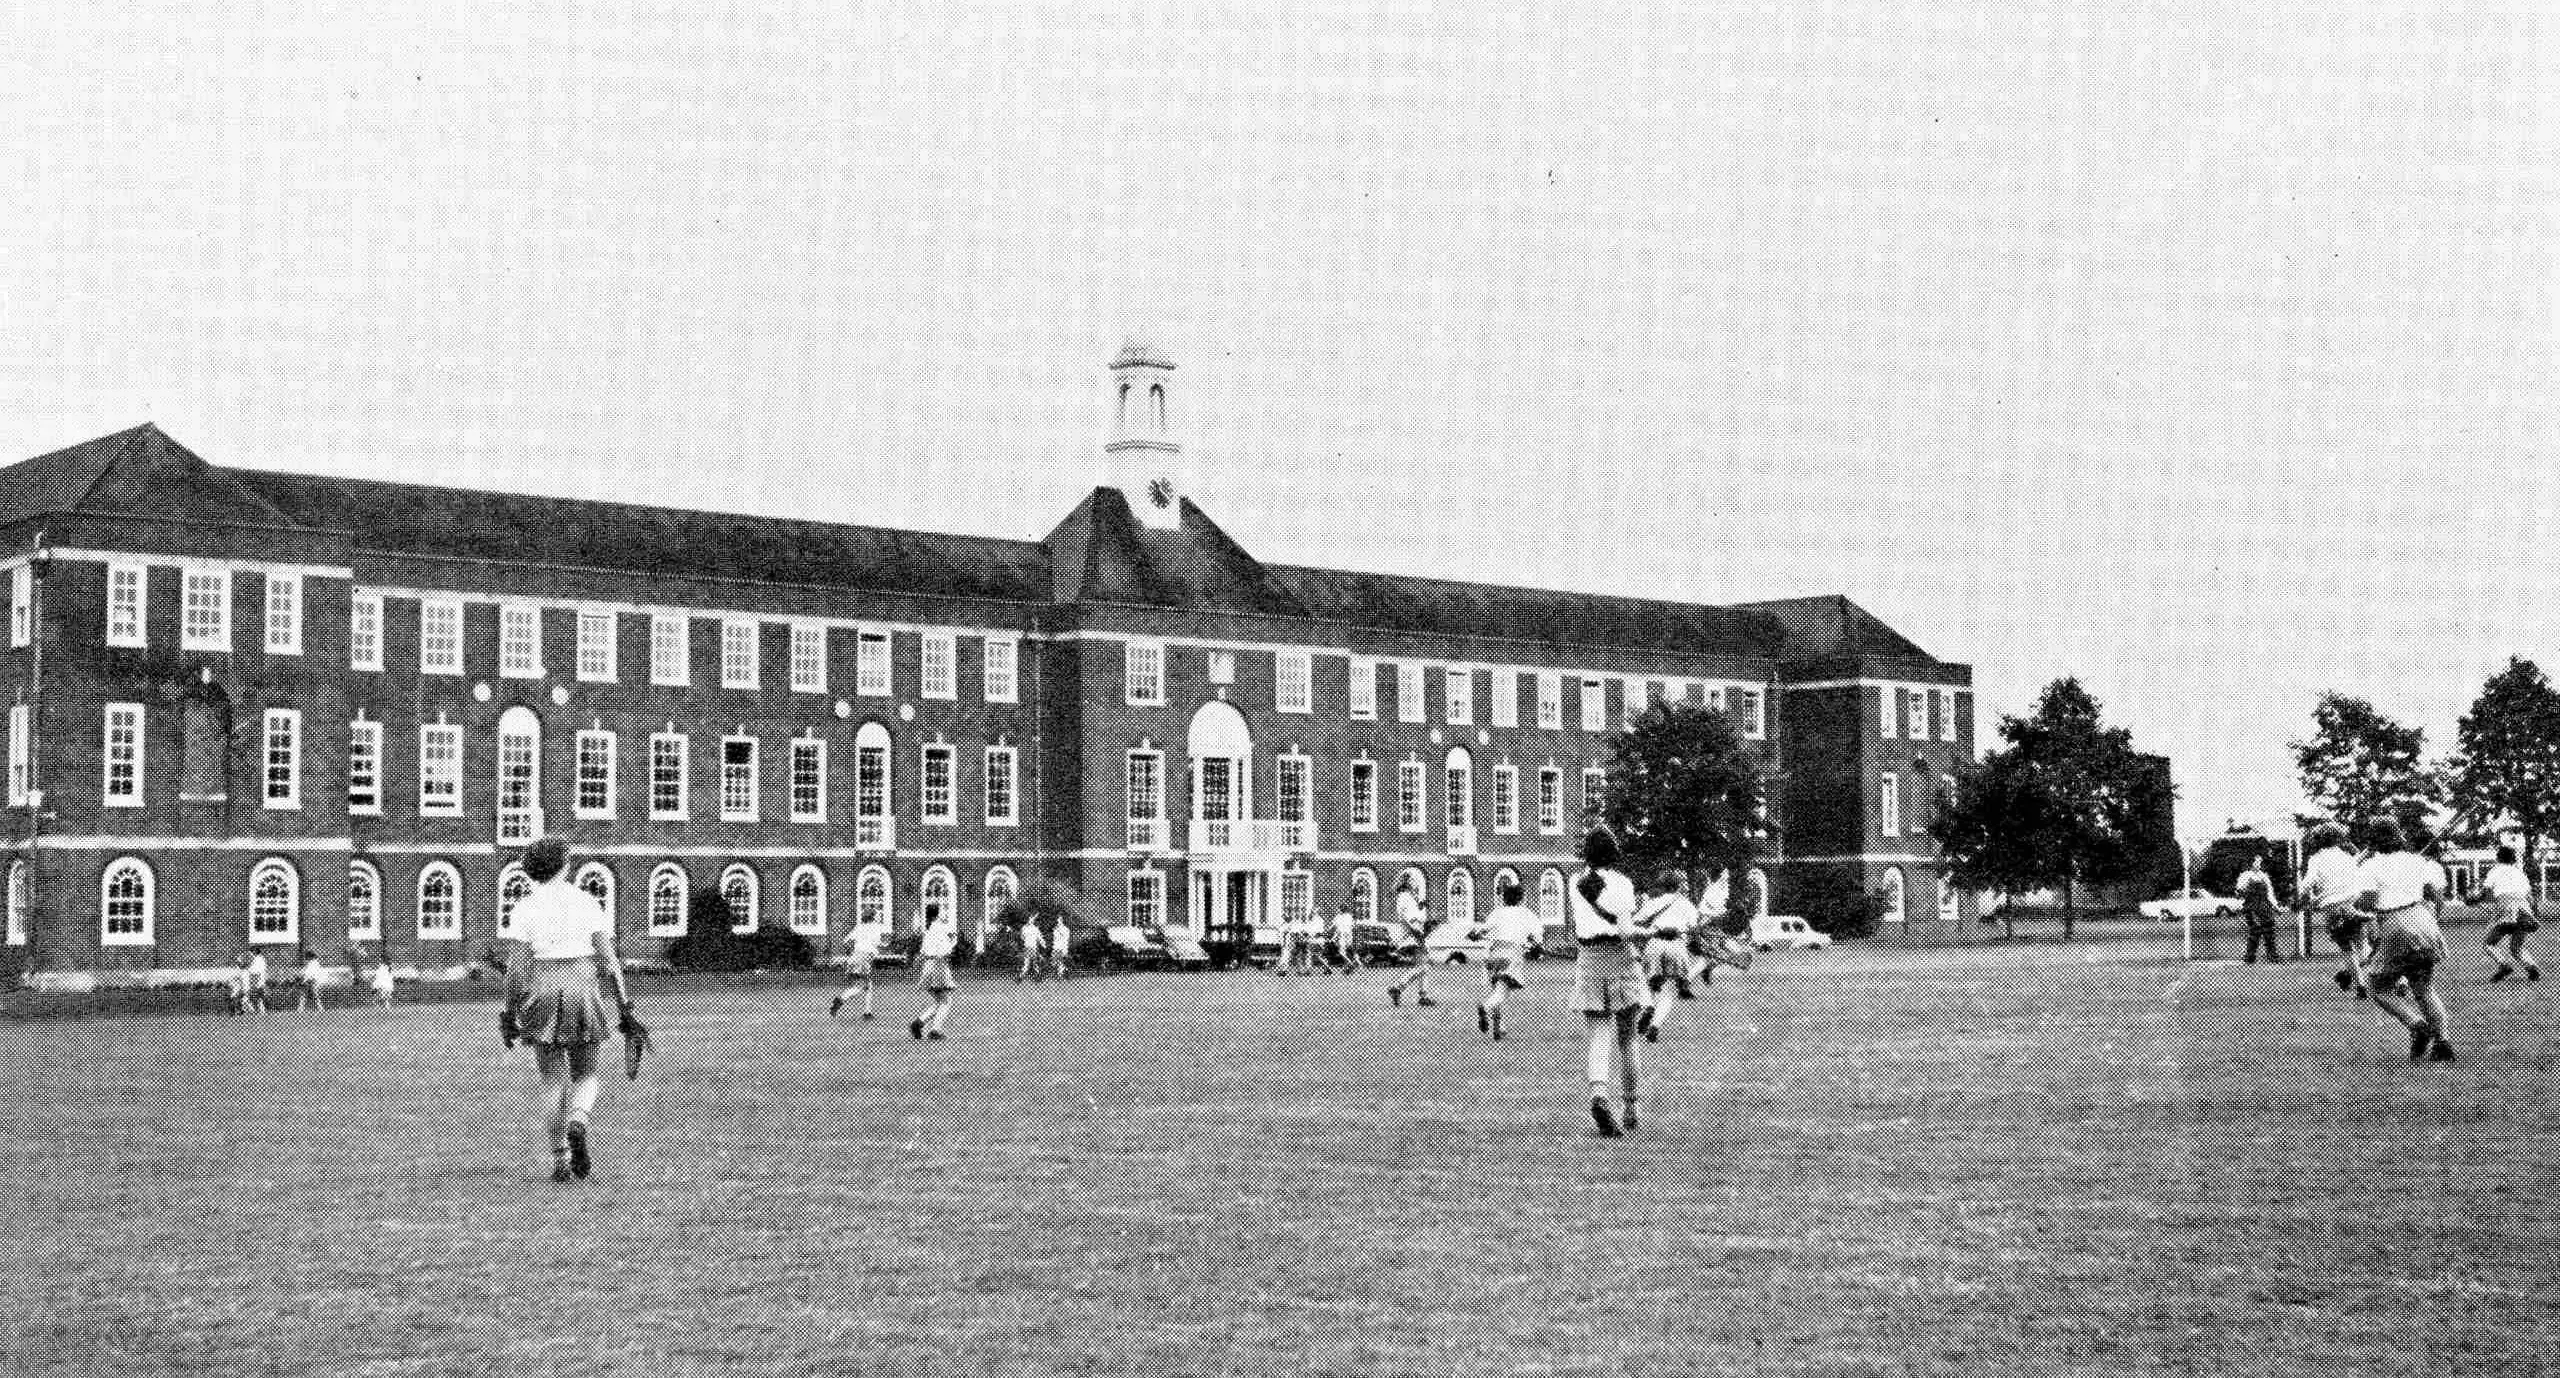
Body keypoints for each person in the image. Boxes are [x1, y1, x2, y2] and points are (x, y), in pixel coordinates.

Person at [498, 838, 639, 1183]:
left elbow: (516, 971)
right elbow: (608, 960)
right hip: (583, 986)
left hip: (542, 989)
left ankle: (560, 1159)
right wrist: (624, 1007)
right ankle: (579, 1119)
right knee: (586, 1074)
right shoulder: (588, 902)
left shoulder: (524, 908)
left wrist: (509, 1013)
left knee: (551, 1081)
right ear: (563, 865)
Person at [2352, 818, 2456, 1062]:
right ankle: (2443, 1043)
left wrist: (2355, 902)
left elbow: (2366, 902)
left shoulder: (2370, 866)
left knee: (2377, 987)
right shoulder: (2418, 861)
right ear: (2399, 836)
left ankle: (2416, 1025)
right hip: (2423, 919)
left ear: (2374, 840)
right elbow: (2436, 894)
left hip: (2395, 923)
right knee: (2424, 989)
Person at [1570, 828, 1646, 1135]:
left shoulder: (1575, 883)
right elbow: (1627, 931)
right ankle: (1630, 1107)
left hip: (1588, 959)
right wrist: (1646, 932)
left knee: (1598, 1036)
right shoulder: (1622, 883)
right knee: (1628, 1039)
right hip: (1620, 958)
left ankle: (1599, 1094)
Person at [2297, 824, 2367, 997]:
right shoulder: (2346, 857)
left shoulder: (2316, 859)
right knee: (2361, 944)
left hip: (2333, 907)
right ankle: (2360, 977)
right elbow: (2357, 875)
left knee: (2347, 948)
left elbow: (2308, 883)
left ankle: (2360, 983)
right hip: (2354, 902)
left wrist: (2303, 897)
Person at [1635, 872, 1700, 1042]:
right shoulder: (1688, 906)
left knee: (1648, 983)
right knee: (1669, 991)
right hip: (1676, 947)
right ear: (1678, 887)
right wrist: (1695, 945)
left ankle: (1648, 1006)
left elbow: (1635, 922)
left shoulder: (1653, 903)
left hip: (1655, 944)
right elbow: (1694, 931)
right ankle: (1655, 1025)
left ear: (1662, 887)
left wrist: (1651, 926)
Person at [1475, 880, 1540, 1041]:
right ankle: (1485, 1007)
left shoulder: (1497, 913)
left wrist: (1474, 934)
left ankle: (1499, 1028)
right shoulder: (1525, 913)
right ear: (1520, 898)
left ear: (1504, 899)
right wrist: (1536, 945)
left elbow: (1481, 930)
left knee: (1498, 990)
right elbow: (1535, 935)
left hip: (1494, 953)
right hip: (1512, 953)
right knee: (1502, 991)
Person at [2480, 844, 2541, 982]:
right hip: (2524, 910)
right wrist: (2535, 915)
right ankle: (2532, 968)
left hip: (2506, 907)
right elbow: (2531, 898)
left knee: (2489, 944)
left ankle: (2504, 965)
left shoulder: (2495, 871)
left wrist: (2472, 900)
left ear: (2498, 858)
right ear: (2513, 859)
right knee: (2516, 947)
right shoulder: (2520, 873)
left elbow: (2484, 894)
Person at [910, 904, 961, 1040]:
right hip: (938, 964)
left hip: (928, 965)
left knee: (940, 1001)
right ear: (938, 914)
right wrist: (951, 946)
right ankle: (934, 1030)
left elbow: (922, 952)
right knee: (946, 1001)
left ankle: (919, 1023)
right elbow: (947, 948)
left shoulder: (929, 930)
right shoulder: (941, 927)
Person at [1385, 879, 1436, 1007]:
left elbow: (1414, 915)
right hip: (1414, 935)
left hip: (1412, 935)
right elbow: (1410, 918)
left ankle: (1422, 996)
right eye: (1412, 885)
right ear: (1406, 887)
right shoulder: (1406, 898)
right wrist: (1418, 931)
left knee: (1423, 966)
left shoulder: (1404, 899)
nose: (1414, 888)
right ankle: (1398, 987)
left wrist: (1421, 908)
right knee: (1422, 967)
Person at [829, 916, 886, 1018]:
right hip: (864, 959)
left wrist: (851, 952)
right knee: (863, 986)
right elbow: (877, 944)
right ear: (872, 918)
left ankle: (867, 1012)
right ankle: (841, 999)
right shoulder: (875, 928)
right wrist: (882, 945)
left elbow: (845, 941)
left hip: (854, 957)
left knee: (866, 986)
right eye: (876, 916)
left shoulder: (859, 927)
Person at [2236, 856, 2282, 965]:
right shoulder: (2245, 876)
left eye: (2260, 862)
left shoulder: (2264, 876)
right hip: (2251, 907)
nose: (2259, 864)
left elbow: (2270, 894)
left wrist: (2276, 907)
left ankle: (2273, 956)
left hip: (2264, 907)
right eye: (2257, 862)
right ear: (2252, 863)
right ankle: (2249, 958)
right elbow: (2239, 892)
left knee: (2269, 931)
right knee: (2255, 931)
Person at [1014, 912, 1048, 984]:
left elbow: (1039, 938)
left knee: (1034, 964)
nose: (1030, 920)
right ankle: (1021, 977)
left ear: (1033, 920)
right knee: (1027, 964)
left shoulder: (1034, 929)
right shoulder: (1026, 928)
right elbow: (1022, 937)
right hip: (1028, 948)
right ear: (1028, 920)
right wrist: (1042, 943)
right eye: (1029, 919)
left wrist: (1043, 943)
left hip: (1033, 948)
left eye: (1031, 919)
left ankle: (1036, 977)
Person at [1328, 904, 1360, 974]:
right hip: (1349, 935)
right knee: (1349, 952)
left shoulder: (1338, 917)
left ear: (1341, 909)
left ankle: (1350, 964)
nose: (1337, 910)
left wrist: (1330, 932)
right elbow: (1353, 926)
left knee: (1342, 952)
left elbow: (1334, 927)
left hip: (1341, 935)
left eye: (1338, 909)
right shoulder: (1349, 916)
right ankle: (1347, 968)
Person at [242, 949, 269, 1014]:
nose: (250, 954)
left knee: (254, 995)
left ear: (254, 952)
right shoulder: (261, 959)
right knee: (258, 995)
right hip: (258, 979)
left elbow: (255, 971)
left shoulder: (257, 959)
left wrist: (254, 981)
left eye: (251, 952)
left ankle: (255, 1009)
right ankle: (257, 1009)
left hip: (256, 979)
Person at [1046, 915, 1073, 980]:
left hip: (1061, 948)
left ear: (1061, 920)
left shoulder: (1066, 929)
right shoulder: (1055, 929)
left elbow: (1066, 940)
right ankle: (1066, 971)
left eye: (1058, 920)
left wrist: (1065, 949)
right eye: (1057, 920)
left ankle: (1060, 976)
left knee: (1059, 962)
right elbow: (1054, 939)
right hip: (1055, 948)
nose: (1057, 921)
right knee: (1054, 963)